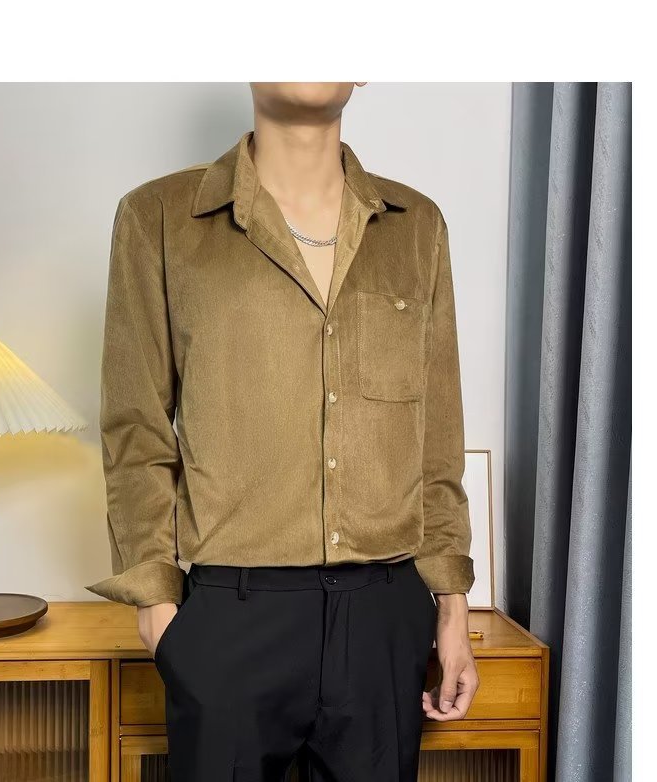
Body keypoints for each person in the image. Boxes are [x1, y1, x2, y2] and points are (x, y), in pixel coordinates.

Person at [86, 82, 480, 782]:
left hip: (383, 616)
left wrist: (452, 607)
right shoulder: (158, 219)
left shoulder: (418, 227)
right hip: (230, 619)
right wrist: (158, 605)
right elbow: (136, 429)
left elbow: (437, 442)